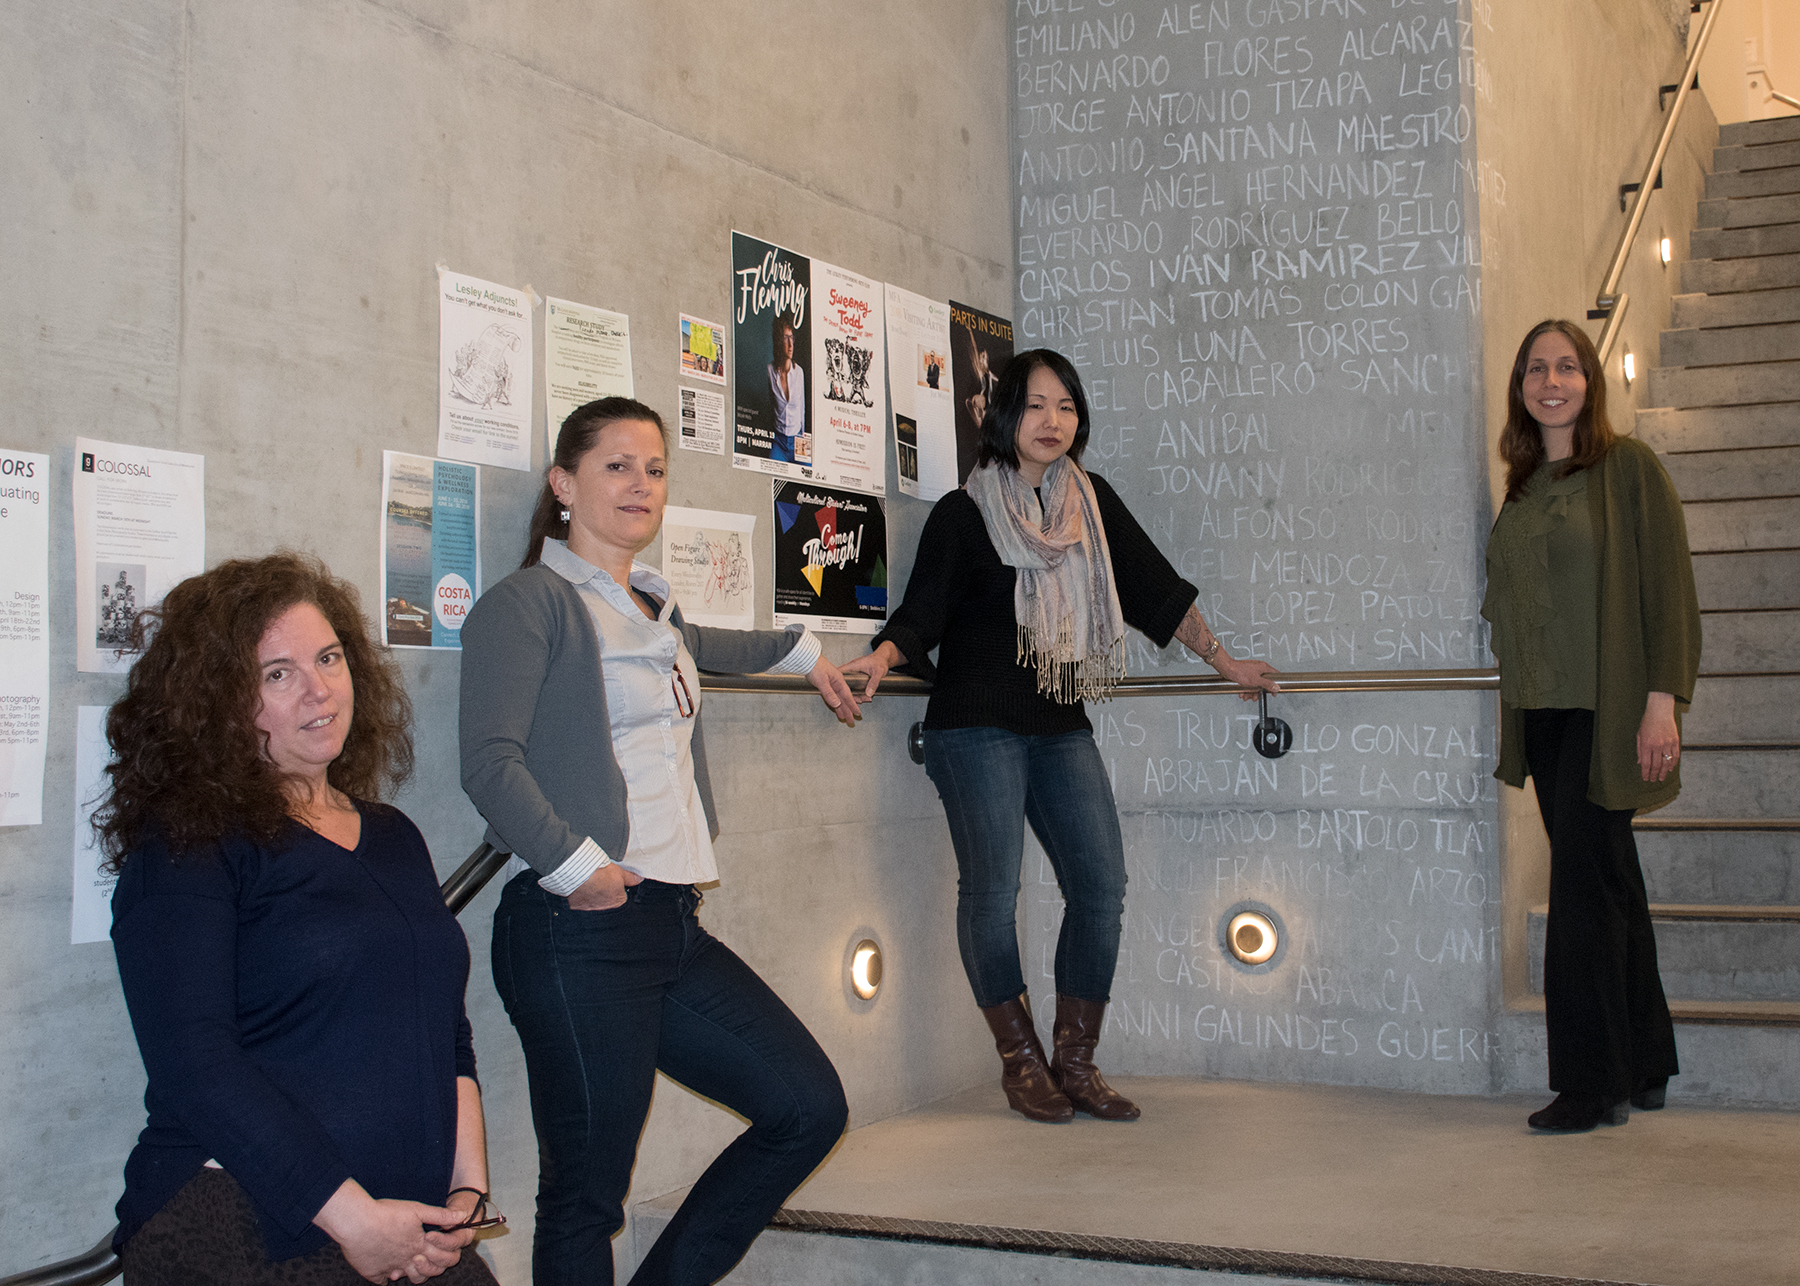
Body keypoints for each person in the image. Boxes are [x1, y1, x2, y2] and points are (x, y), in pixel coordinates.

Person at [459, 397, 855, 1285]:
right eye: (616, 466)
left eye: (656, 468)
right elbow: (489, 762)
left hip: (669, 926)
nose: (642, 484)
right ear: (564, 485)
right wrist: (579, 868)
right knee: (586, 1199)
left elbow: (714, 643)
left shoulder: (651, 609)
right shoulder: (528, 603)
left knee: (806, 1106)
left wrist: (808, 653)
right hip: (577, 929)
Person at [842, 350, 1280, 1124]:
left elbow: (1155, 589)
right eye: (1036, 406)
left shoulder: (1091, 504)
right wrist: (881, 656)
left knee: (1101, 887)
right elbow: (924, 613)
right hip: (973, 725)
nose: (1053, 422)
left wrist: (1226, 663)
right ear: (1005, 415)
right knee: (991, 893)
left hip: (1057, 719)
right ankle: (1021, 1063)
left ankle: (1075, 1061)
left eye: (1067, 407)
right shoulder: (963, 510)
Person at [98, 553, 497, 1285]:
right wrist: (353, 1220)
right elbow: (196, 1068)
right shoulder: (188, 844)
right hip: (240, 1214)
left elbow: (447, 1032)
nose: (320, 689)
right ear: (216, 701)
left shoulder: (394, 835)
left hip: (401, 1217)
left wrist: (466, 1193)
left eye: (329, 658)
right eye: (277, 673)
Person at [1481, 320, 1700, 1133]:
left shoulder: (1627, 469)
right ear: (1521, 385)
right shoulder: (1528, 484)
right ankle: (1645, 1061)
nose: (1552, 379)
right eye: (1536, 367)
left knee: (1579, 890)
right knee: (1607, 879)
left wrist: (1660, 700)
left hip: (1607, 713)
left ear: (1590, 381)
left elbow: (1668, 588)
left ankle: (1590, 1080)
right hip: (1543, 714)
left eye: (1567, 366)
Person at [767, 315, 806, 464]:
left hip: (798, 441)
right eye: (785, 338)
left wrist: (803, 442)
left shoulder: (799, 372)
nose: (790, 345)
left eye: (792, 338)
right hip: (778, 441)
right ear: (778, 341)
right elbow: (771, 406)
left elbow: (802, 411)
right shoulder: (770, 371)